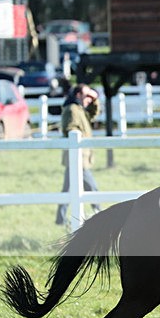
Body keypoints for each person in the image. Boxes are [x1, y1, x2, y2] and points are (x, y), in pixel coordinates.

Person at [56, 84, 101, 226]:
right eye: (86, 95)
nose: (88, 98)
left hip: (79, 157)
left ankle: (60, 219)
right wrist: (79, 137)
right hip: (78, 158)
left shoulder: (79, 109)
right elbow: (69, 129)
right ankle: (100, 214)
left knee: (68, 189)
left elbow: (93, 114)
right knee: (92, 188)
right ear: (78, 95)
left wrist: (95, 99)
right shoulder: (72, 110)